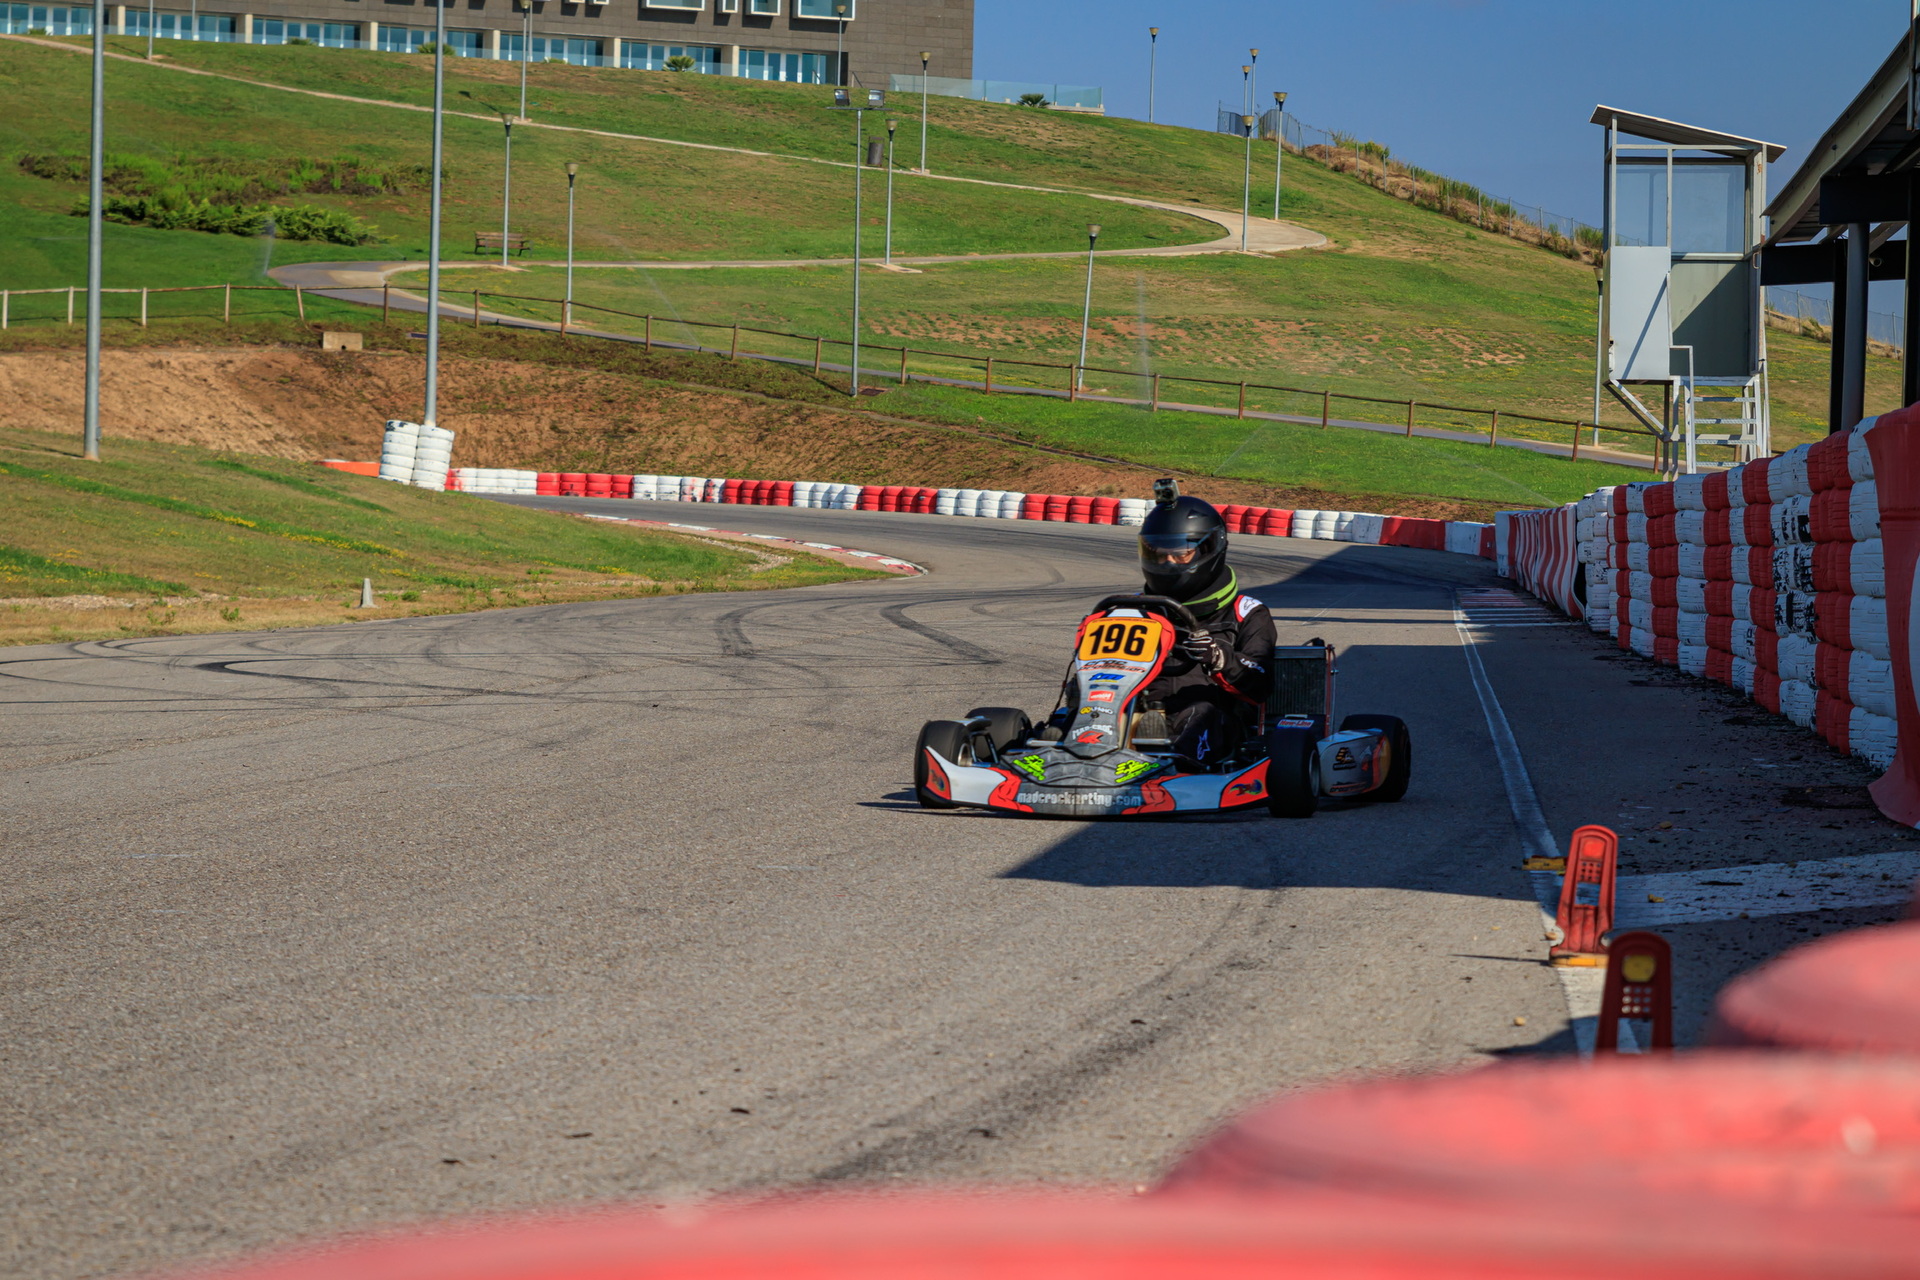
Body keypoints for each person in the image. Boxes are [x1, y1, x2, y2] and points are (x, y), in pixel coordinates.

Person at [1136, 479, 1275, 768]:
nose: (1168, 563)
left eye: (1180, 553)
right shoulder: (1133, 609)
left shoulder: (1246, 612)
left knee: (1200, 713)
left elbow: (1260, 685)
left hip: (1217, 721)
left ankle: (1167, 767)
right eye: (1158, 554)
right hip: (1141, 711)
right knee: (1081, 715)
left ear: (1209, 548)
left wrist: (1221, 659)